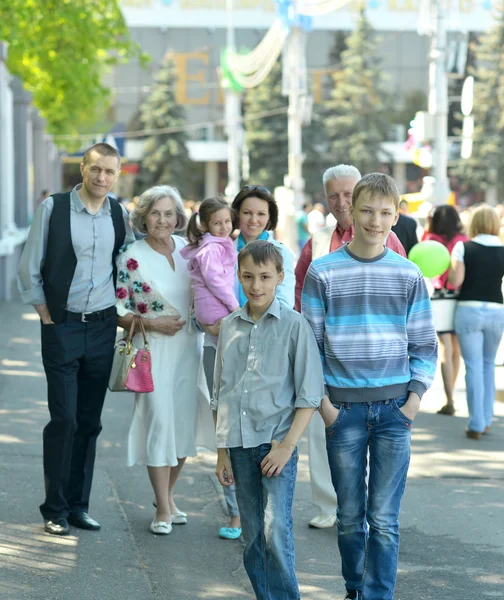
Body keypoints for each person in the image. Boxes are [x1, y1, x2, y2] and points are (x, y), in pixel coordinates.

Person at [302, 173, 437, 600]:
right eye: (366, 211)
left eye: (384, 213)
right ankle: (353, 587)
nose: (374, 221)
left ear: (396, 217)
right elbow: (310, 347)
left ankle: (377, 595)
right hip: (343, 412)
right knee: (348, 517)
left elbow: (424, 345)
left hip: (395, 410)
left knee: (383, 519)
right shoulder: (323, 272)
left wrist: (412, 403)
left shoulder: (409, 274)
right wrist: (326, 407)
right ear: (350, 211)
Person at [17, 143, 134, 536]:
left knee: (88, 421)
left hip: (102, 327)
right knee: (64, 418)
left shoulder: (119, 213)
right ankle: (54, 508)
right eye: (96, 169)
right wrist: (46, 314)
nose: (102, 178)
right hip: (62, 325)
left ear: (117, 175)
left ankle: (78, 506)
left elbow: (129, 266)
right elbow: (29, 266)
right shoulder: (54, 209)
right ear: (82, 169)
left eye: (110, 172)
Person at [294, 164, 406, 530]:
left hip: (380, 376)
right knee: (323, 435)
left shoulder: (385, 236)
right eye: (334, 196)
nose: (341, 202)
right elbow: (301, 290)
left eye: (347, 194)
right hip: (331, 368)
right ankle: (330, 504)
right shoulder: (319, 238)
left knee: (378, 459)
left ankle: (369, 514)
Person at [212, 240, 324, 600]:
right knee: (252, 535)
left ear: (280, 278)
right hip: (238, 444)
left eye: (264, 277)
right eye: (248, 277)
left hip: (276, 444)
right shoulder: (229, 326)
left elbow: (309, 394)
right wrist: (222, 452)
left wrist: (287, 447)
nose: (256, 285)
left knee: (276, 530)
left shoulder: (295, 326)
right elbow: (221, 391)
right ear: (238, 277)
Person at [202, 185, 296, 540]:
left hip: (267, 352)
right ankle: (236, 510)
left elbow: (284, 306)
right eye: (247, 213)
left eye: (261, 213)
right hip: (222, 345)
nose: (254, 219)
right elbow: (203, 290)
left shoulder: (281, 253)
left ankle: (265, 510)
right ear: (236, 215)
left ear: (270, 217)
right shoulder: (221, 250)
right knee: (228, 426)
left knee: (261, 428)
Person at [115, 185, 208, 535]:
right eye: (156, 212)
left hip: (188, 347)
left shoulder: (189, 250)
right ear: (144, 216)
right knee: (158, 419)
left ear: (179, 217)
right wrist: (153, 323)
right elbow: (119, 310)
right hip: (151, 348)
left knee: (184, 422)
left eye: (170, 213)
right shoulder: (130, 256)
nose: (163, 220)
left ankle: (166, 498)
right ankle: (162, 511)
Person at [449, 205, 504, 439]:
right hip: (496, 309)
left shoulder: (463, 247)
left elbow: (455, 280)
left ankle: (475, 423)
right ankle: (487, 418)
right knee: (488, 364)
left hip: (469, 309)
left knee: (472, 366)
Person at [424, 205, 467, 416]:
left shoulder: (431, 238)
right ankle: (452, 396)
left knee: (445, 349)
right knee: (456, 348)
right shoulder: (463, 241)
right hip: (460, 296)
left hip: (439, 297)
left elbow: (421, 262)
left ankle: (449, 398)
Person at [181, 197, 239, 326]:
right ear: (205, 225)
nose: (224, 227)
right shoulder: (211, 249)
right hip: (213, 305)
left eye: (227, 221)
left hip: (215, 302)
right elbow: (214, 281)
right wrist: (235, 306)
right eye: (217, 223)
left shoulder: (219, 243)